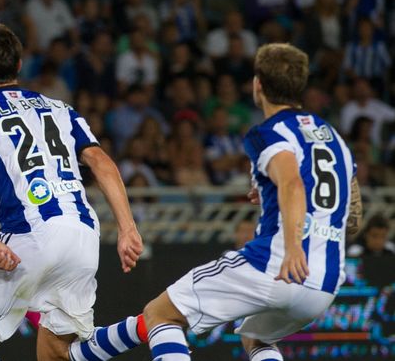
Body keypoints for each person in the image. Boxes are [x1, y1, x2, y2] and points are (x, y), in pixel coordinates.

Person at [70, 43, 364, 361]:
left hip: (278, 264)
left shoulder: (269, 132)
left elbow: (292, 183)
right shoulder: (334, 137)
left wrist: (293, 247)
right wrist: (272, 194)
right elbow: (352, 213)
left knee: (161, 314)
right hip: (325, 281)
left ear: (257, 84)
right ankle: (83, 354)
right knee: (255, 336)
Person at [0, 24, 144, 361]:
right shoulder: (61, 109)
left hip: (28, 237)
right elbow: (101, 161)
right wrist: (127, 228)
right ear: (19, 65)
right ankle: (140, 328)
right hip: (83, 239)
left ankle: (146, 326)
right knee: (57, 352)